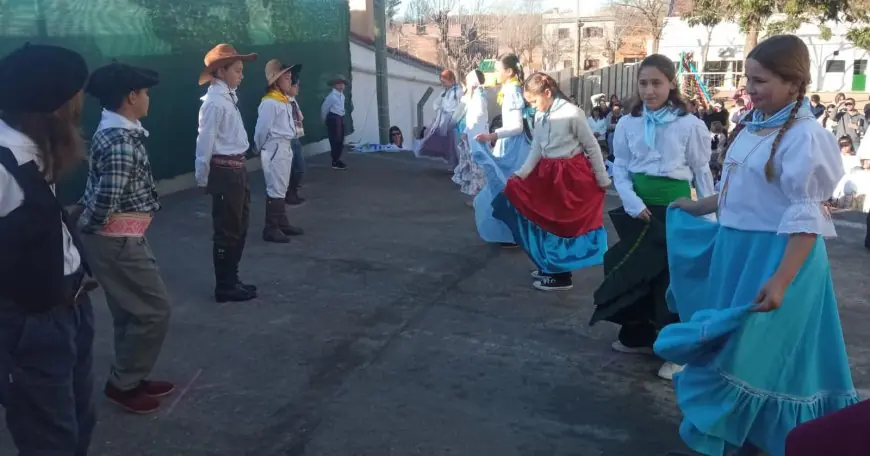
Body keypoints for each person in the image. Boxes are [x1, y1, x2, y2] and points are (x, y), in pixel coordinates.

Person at [659, 35, 857, 456]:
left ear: (793, 83)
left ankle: (774, 435)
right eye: (749, 79)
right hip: (739, 253)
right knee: (747, 348)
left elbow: (807, 216)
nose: (749, 88)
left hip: (780, 258)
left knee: (757, 352)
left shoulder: (804, 137)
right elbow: (740, 191)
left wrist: (783, 280)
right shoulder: (754, 125)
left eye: (760, 80)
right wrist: (698, 206)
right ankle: (751, 433)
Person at [590, 54, 714, 381]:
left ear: (671, 83)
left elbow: (701, 171)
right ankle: (640, 334)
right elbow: (623, 169)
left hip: (677, 212)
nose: (649, 90)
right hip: (640, 212)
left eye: (656, 82)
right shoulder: (629, 123)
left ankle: (678, 350)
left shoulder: (689, 124)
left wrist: (712, 215)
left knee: (671, 279)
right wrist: (630, 201)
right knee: (631, 269)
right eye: (643, 83)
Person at [0, 43, 97, 454]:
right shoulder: (4, 164)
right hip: (29, 327)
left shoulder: (32, 149)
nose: (79, 110)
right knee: (50, 441)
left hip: (71, 308)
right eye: (73, 101)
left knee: (78, 423)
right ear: (52, 109)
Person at [76, 61, 175, 414]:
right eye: (145, 93)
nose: (148, 99)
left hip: (122, 235)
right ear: (131, 96)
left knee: (130, 313)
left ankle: (132, 375)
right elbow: (106, 199)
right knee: (153, 311)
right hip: (117, 238)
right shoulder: (120, 141)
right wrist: (91, 231)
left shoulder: (119, 131)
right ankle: (124, 383)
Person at [491, 73, 611, 291]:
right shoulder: (540, 115)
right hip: (547, 174)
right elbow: (536, 147)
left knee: (561, 224)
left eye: (534, 101)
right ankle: (550, 265)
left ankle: (561, 274)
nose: (534, 107)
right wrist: (522, 173)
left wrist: (602, 177)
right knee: (543, 220)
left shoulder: (572, 114)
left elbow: (591, 146)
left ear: (547, 93)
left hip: (568, 177)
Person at [195, 43, 259, 303]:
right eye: (237, 70)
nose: (241, 75)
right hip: (225, 172)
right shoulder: (213, 103)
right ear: (221, 72)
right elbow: (205, 141)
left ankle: (233, 278)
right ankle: (225, 285)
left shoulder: (228, 98)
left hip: (237, 169)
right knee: (227, 229)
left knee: (240, 226)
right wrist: (203, 175)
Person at [469, 53, 532, 248]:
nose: (495, 73)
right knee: (507, 191)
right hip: (514, 144)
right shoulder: (511, 88)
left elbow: (516, 126)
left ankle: (513, 234)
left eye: (498, 69)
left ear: (509, 72)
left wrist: (491, 136)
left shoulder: (512, 90)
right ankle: (514, 234)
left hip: (514, 147)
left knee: (506, 191)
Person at [254, 59, 305, 244]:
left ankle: (281, 223)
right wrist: (259, 147)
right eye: (286, 76)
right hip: (275, 147)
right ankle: (271, 228)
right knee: (276, 187)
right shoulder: (270, 103)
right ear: (275, 80)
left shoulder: (283, 100)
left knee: (281, 187)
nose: (290, 79)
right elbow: (261, 130)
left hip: (284, 146)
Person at [452, 69, 488, 199]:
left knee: (477, 164)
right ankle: (476, 195)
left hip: (476, 135)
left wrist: (466, 131)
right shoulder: (477, 95)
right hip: (474, 134)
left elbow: (476, 117)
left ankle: (479, 196)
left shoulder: (478, 97)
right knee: (473, 164)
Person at [415, 69, 462, 168]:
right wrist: (439, 108)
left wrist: (453, 115)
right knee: (445, 141)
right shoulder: (445, 92)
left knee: (453, 143)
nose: (443, 84)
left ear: (452, 80)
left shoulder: (457, 91)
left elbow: (460, 105)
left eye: (445, 82)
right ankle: (453, 163)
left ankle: (457, 164)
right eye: (442, 82)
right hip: (443, 119)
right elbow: (437, 102)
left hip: (453, 119)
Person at [286, 73, 307, 206]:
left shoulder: (293, 100)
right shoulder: (283, 101)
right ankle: (289, 194)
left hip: (296, 137)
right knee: (293, 168)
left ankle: (293, 192)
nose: (298, 88)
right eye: (296, 85)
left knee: (299, 168)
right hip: (288, 139)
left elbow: (300, 117)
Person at [321, 75, 348, 170]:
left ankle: (338, 159)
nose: (341, 86)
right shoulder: (331, 96)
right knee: (335, 140)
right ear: (335, 85)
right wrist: (325, 119)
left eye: (343, 84)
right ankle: (335, 160)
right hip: (333, 118)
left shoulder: (342, 96)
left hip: (340, 118)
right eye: (339, 84)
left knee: (340, 140)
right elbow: (324, 108)